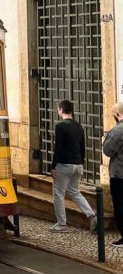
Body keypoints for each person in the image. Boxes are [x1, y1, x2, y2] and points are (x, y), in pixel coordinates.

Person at [50, 99, 96, 232]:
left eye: (58, 110)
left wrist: (53, 166)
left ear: (60, 110)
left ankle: (62, 224)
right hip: (78, 165)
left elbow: (58, 147)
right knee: (75, 191)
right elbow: (83, 147)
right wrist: (81, 162)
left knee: (58, 194)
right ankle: (92, 215)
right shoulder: (79, 126)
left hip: (64, 165)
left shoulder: (60, 126)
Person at [102, 102, 123, 248]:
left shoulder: (119, 130)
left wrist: (107, 137)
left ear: (117, 114)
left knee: (120, 206)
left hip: (120, 174)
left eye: (112, 114)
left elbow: (108, 150)